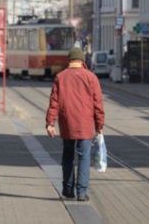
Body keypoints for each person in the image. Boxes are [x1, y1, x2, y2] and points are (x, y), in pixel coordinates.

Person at [45, 47, 105, 202]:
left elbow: (54, 102)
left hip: (67, 123)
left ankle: (67, 189)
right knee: (84, 157)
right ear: (82, 60)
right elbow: (98, 104)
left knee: (68, 156)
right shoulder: (91, 78)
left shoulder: (60, 77)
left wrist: (50, 123)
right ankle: (82, 192)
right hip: (85, 124)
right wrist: (99, 126)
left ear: (69, 60)